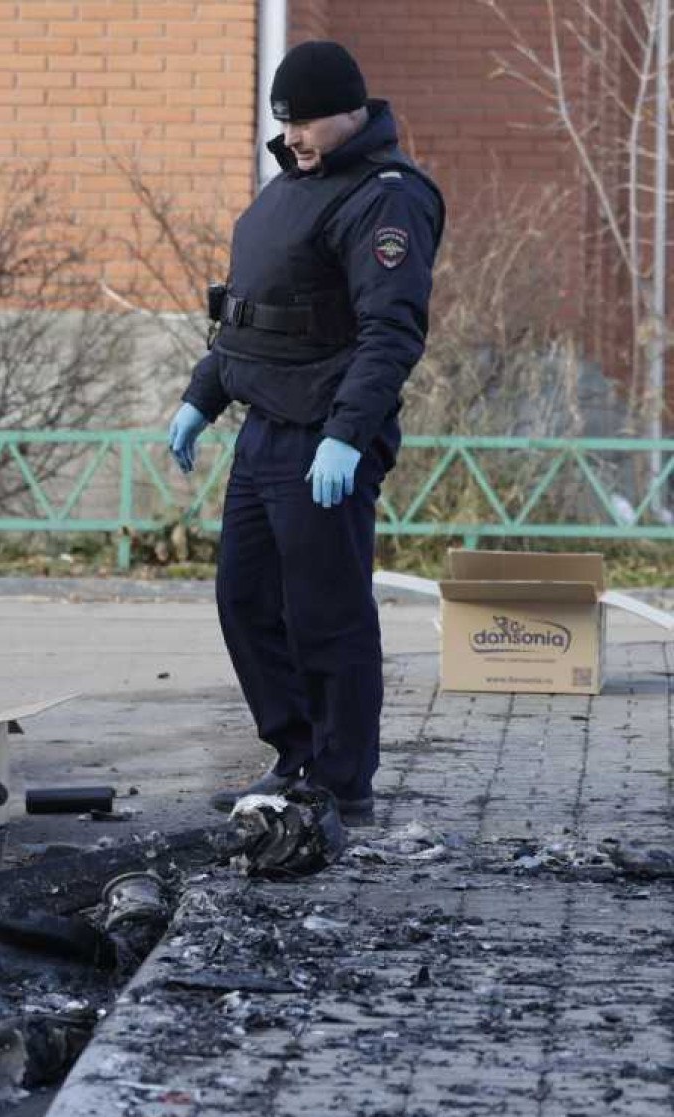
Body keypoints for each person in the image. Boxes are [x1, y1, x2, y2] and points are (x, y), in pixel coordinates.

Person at [167, 41, 445, 823]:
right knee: (246, 600)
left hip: (324, 439)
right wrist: (202, 396)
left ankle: (340, 778)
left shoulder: (386, 199)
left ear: (353, 111)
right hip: (263, 432)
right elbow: (250, 316)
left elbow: (390, 331)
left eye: (308, 120)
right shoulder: (289, 189)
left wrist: (348, 435)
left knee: (325, 612)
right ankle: (294, 757)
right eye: (284, 120)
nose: (293, 135)